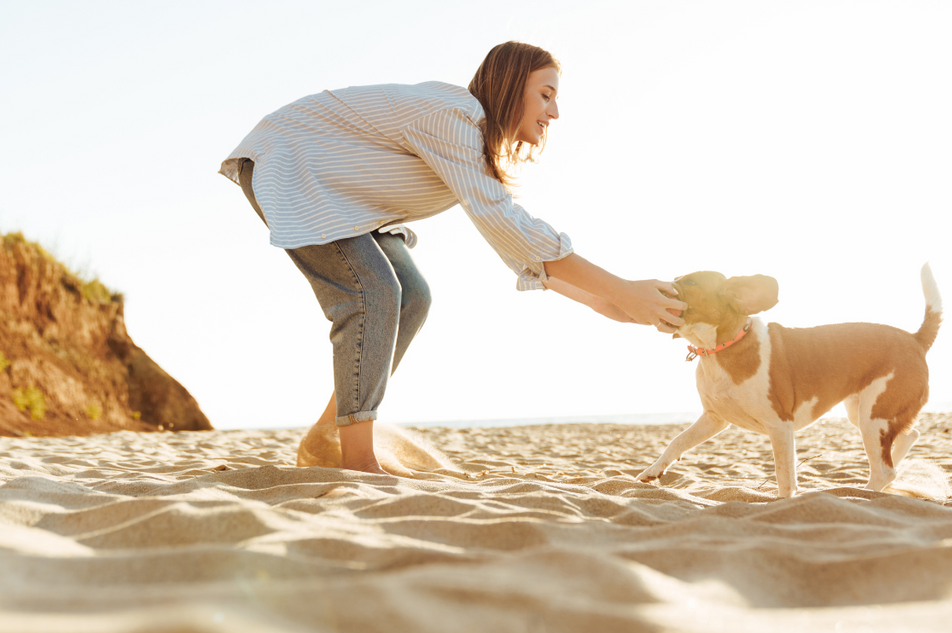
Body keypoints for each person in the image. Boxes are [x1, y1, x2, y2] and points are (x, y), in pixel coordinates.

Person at [220, 41, 685, 475]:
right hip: (291, 160)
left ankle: (327, 436)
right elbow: (510, 226)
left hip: (340, 191)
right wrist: (621, 288)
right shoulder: (455, 117)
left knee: (413, 295)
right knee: (375, 292)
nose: (555, 112)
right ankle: (358, 462)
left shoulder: (470, 146)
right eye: (545, 95)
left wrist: (616, 305)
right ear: (509, 86)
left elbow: (519, 246)